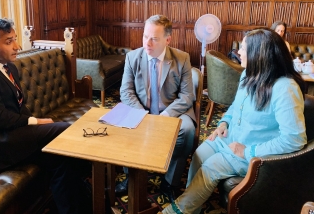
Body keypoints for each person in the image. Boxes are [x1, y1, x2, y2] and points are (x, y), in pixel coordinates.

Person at [160, 28, 307, 214]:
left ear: (258, 54)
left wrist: (248, 151)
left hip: (254, 153)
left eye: (244, 49)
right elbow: (235, 107)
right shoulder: (249, 74)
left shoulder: (284, 88)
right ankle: (193, 206)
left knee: (209, 169)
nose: (238, 53)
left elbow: (294, 139)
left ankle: (178, 210)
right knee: (198, 155)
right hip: (231, 138)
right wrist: (224, 123)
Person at [0, 18, 91, 214]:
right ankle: (92, 174)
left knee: (61, 159)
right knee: (64, 129)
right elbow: (0, 118)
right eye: (8, 41)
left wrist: (35, 126)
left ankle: (81, 207)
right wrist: (37, 123)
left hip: (13, 135)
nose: (17, 46)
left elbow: (19, 106)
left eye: (15, 39)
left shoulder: (9, 67)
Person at [117, 14, 196, 202]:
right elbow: (126, 92)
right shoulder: (132, 57)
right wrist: (142, 114)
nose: (147, 43)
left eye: (154, 38)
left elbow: (187, 96)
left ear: (167, 40)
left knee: (187, 130)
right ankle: (130, 177)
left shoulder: (182, 59)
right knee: (121, 124)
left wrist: (165, 116)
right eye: (145, 36)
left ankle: (170, 182)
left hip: (171, 111)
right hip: (140, 109)